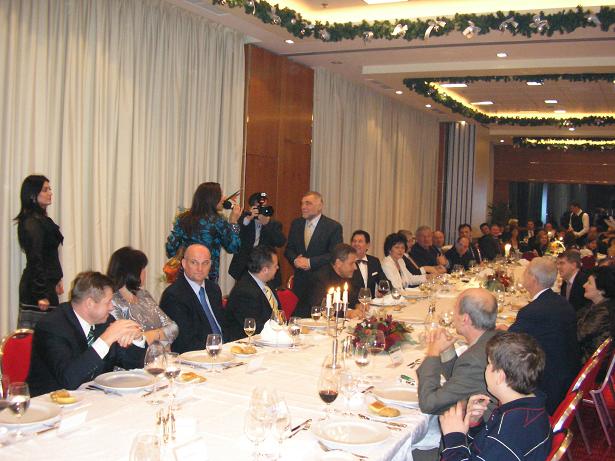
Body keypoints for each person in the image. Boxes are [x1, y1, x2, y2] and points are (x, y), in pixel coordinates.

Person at [27, 272, 146, 396]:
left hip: (95, 399)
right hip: (53, 401)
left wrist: (137, 339)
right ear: (89, 303)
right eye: (108, 302)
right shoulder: (51, 326)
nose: (112, 307)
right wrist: (105, 339)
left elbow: (132, 365)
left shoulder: (105, 320)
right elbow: (69, 380)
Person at [439, 332, 551, 461]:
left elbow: (499, 445)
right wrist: (476, 425)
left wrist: (454, 438)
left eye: (489, 364)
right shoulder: (526, 407)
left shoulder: (509, 432)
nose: (486, 368)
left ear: (500, 376)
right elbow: (488, 448)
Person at [508, 257, 580, 414]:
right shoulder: (562, 302)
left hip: (549, 384)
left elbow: (507, 344)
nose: (523, 275)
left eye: (526, 272)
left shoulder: (531, 312)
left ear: (533, 279)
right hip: (568, 372)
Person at [416, 288, 498, 416]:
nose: (453, 315)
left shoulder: (474, 359)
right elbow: (462, 383)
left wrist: (433, 352)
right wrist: (447, 351)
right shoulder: (497, 338)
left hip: (486, 423)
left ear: (465, 319)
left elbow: (429, 404)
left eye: (455, 310)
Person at [159, 244, 231, 353]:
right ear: (184, 264)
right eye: (194, 262)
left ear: (210, 264)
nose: (200, 268)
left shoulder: (213, 289)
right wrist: (218, 350)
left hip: (225, 350)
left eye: (205, 263)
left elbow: (224, 325)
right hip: (198, 355)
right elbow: (185, 342)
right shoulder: (174, 295)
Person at [165, 182, 241, 282]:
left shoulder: (183, 219)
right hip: (208, 277)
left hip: (185, 275)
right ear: (212, 199)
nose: (224, 198)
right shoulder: (218, 222)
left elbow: (170, 249)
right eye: (221, 195)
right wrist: (233, 222)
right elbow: (234, 247)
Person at [107, 247, 179, 347]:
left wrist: (149, 336)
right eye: (142, 268)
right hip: (136, 356)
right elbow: (130, 341)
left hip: (160, 354)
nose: (145, 272)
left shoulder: (143, 295)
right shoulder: (112, 302)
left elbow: (173, 328)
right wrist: (160, 335)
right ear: (132, 271)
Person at [15, 175, 64, 316]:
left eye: (49, 189)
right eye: (45, 190)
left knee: (51, 327)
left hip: (46, 285)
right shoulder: (31, 222)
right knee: (38, 329)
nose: (50, 193)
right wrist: (41, 294)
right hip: (36, 289)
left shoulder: (42, 220)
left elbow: (50, 254)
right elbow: (35, 258)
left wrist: (57, 279)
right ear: (32, 194)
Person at [284, 191, 343, 299]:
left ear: (320, 206)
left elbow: (334, 254)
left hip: (322, 283)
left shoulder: (333, 227)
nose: (303, 207)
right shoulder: (296, 224)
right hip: (300, 284)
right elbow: (289, 249)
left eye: (308, 203)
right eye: (302, 203)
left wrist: (310, 262)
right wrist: (295, 260)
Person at [228, 192, 286, 288]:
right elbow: (233, 237)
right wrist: (248, 219)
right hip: (243, 268)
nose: (262, 210)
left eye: (264, 207)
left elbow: (281, 242)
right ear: (251, 208)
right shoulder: (243, 218)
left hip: (266, 268)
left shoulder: (273, 224)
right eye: (259, 207)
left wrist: (267, 224)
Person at [294, 243, 363, 319]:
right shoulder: (320, 278)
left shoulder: (348, 275)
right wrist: (346, 313)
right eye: (351, 263)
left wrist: (358, 305)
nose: (355, 267)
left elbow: (352, 297)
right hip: (308, 322)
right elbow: (321, 308)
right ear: (338, 263)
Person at [226, 245, 281, 341]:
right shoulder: (245, 292)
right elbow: (256, 328)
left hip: (271, 337)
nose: (278, 267)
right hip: (248, 342)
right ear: (265, 270)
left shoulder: (267, 282)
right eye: (275, 266)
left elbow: (279, 313)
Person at [577, 265, 615, 363]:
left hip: (591, 362)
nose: (584, 285)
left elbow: (578, 335)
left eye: (589, 283)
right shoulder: (594, 305)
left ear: (601, 290)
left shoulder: (604, 312)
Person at [350, 230, 388, 296]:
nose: (356, 244)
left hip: (371, 301)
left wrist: (382, 291)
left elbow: (383, 281)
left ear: (367, 245)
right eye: (354, 241)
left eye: (360, 241)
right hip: (353, 301)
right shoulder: (347, 262)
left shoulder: (374, 261)